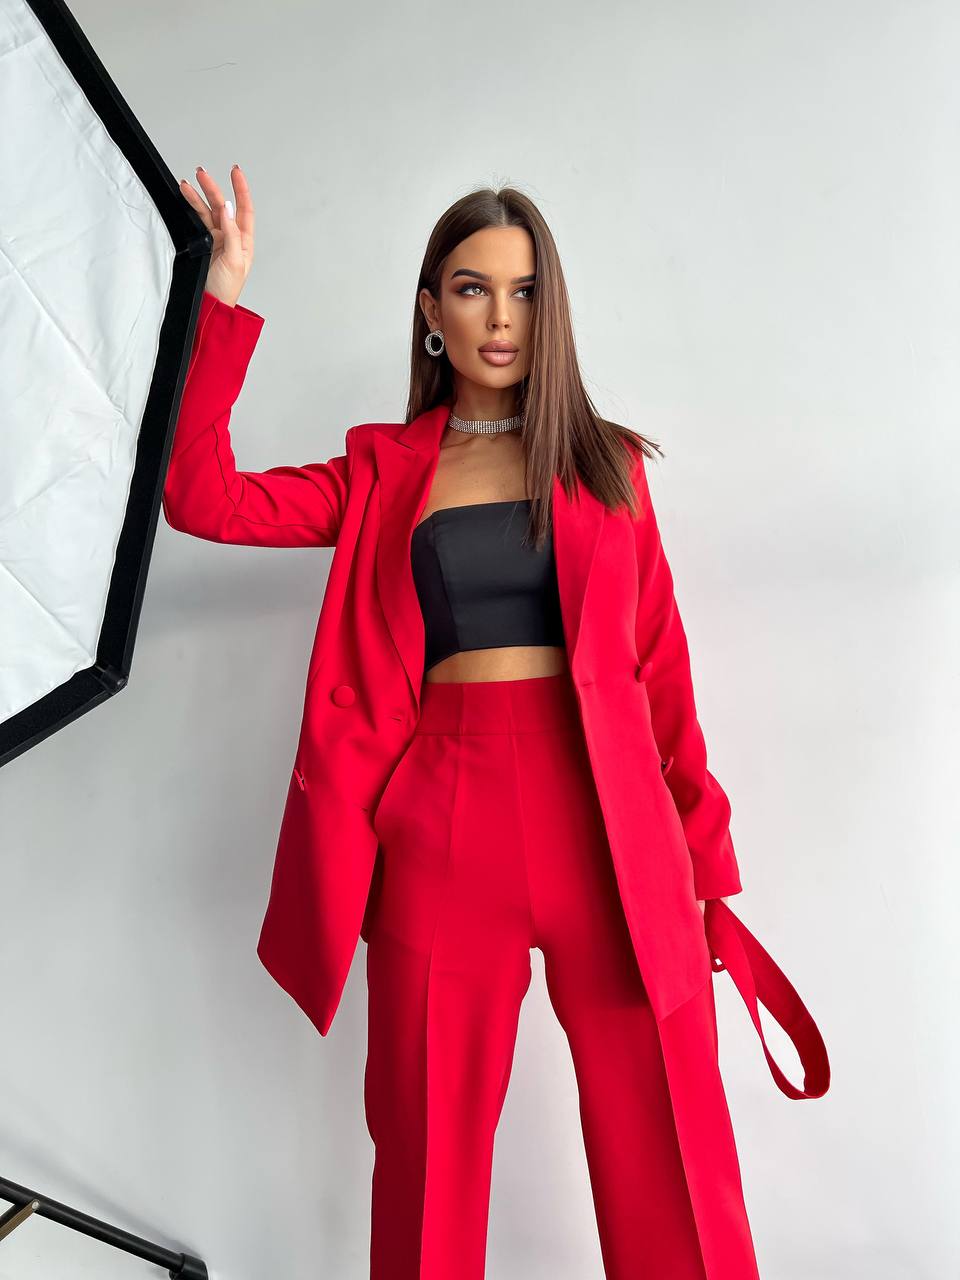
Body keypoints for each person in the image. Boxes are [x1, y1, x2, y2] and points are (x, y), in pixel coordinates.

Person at [165, 164, 785, 1280]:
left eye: (526, 289)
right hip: (443, 821)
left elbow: (661, 677)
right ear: (431, 310)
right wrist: (218, 302)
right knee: (425, 1156)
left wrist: (705, 871)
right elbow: (203, 496)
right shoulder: (382, 470)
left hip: (609, 818)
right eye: (472, 287)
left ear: (550, 308)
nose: (502, 316)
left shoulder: (611, 467)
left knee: (670, 1141)